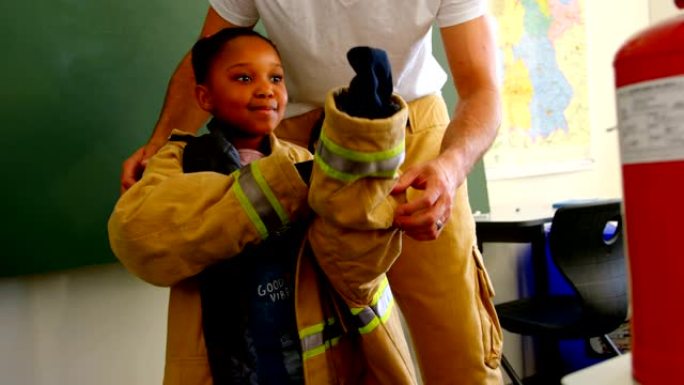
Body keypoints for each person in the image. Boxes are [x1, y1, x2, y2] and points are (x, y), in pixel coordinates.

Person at [120, 1, 504, 384]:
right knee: (310, 337)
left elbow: (482, 88)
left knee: (458, 344)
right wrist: (158, 147)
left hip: (411, 134)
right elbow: (210, 54)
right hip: (297, 147)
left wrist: (450, 167)